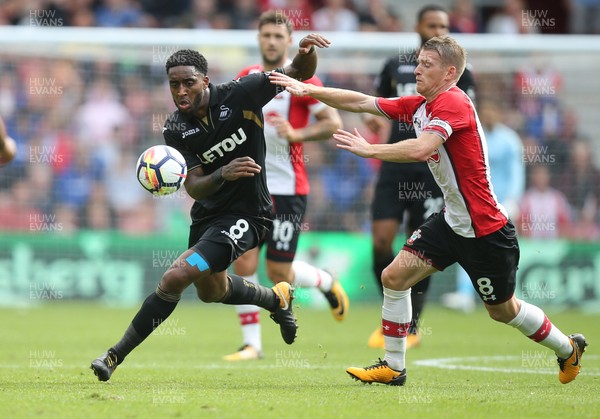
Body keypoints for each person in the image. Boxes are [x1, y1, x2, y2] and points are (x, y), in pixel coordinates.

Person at [269, 34, 587, 386]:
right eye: (418, 62)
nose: (416, 69)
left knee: (502, 310)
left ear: (449, 73)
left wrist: (371, 151)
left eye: (426, 64)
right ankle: (393, 366)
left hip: (485, 230)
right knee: (394, 277)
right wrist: (308, 89)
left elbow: (422, 149)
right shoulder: (421, 105)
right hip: (452, 223)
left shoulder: (453, 103)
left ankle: (568, 347)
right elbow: (362, 101)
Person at [90, 33, 331, 381]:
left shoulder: (244, 92)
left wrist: (305, 53)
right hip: (208, 217)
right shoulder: (176, 128)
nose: (181, 92)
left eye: (188, 83)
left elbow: (297, 71)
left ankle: (113, 356)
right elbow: (196, 187)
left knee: (176, 276)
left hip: (251, 215)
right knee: (210, 291)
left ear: (205, 80)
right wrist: (224, 172)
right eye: (174, 85)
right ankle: (275, 299)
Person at [223, 11, 348, 362]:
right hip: (250, 187)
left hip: (289, 189)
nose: (273, 41)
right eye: (267, 35)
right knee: (243, 263)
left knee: (279, 271)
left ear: (289, 41)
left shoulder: (302, 81)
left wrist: (298, 134)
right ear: (259, 38)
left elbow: (332, 121)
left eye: (279, 36)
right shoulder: (247, 77)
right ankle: (252, 344)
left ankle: (325, 281)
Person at [363, 4, 476, 350]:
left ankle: (411, 327)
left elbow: (463, 120)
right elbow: (380, 104)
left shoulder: (462, 77)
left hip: (430, 167)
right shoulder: (395, 66)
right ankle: (393, 316)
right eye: (432, 24)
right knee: (381, 241)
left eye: (444, 24)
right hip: (395, 163)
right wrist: (373, 124)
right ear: (418, 28)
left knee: (420, 249)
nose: (438, 29)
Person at [442, 99, 525, 312]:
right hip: (478, 203)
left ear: (499, 113)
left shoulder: (509, 140)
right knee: (470, 246)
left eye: (491, 110)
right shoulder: (477, 135)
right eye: (484, 111)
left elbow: (516, 173)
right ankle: (465, 294)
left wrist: (513, 200)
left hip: (502, 205)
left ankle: (509, 295)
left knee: (502, 251)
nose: (487, 115)